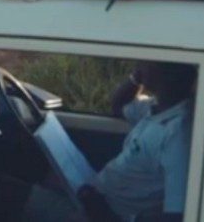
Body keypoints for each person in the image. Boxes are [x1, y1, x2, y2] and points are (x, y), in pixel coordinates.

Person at [76, 61, 196, 222]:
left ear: (167, 75)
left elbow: (175, 214)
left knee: (34, 196)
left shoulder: (178, 134)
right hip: (93, 197)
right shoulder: (157, 106)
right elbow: (119, 105)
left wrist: (105, 215)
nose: (140, 64)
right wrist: (136, 78)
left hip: (108, 213)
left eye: (149, 62)